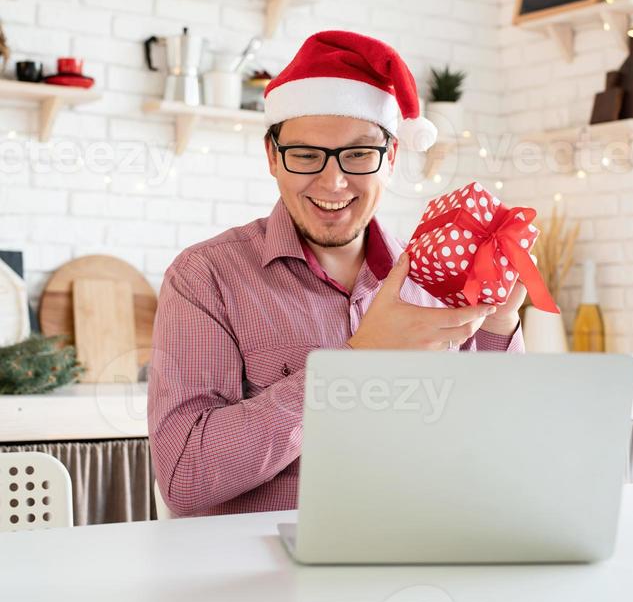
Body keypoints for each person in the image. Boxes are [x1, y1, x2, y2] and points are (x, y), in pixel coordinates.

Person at [148, 31, 525, 517]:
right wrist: (356, 361)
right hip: (259, 580)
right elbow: (186, 477)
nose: (333, 181)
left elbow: (498, 447)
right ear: (271, 157)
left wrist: (500, 321)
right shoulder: (205, 278)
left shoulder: (436, 277)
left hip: (417, 563)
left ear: (390, 158)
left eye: (359, 154)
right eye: (305, 155)